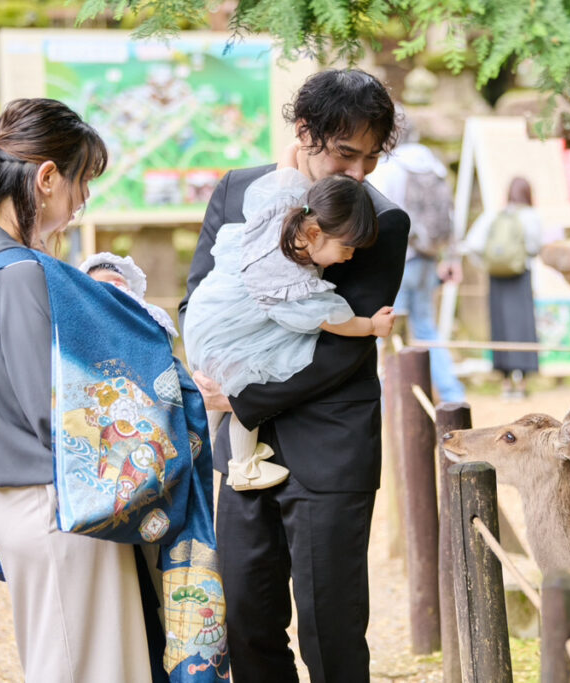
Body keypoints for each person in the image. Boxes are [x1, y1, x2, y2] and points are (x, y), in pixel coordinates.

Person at [179, 68, 408, 682]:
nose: (358, 173)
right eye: (345, 153)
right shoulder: (237, 190)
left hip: (329, 447)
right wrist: (206, 371)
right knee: (246, 623)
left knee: (330, 633)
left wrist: (243, 398)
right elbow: (198, 295)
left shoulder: (381, 221)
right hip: (240, 450)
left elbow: (345, 347)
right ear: (304, 132)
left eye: (371, 157)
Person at [0, 99, 153, 682]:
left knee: (64, 662)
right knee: (90, 668)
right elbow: (55, 406)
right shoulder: (23, 271)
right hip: (60, 501)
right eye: (82, 181)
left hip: (12, 503)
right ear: (48, 177)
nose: (84, 199)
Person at [183, 163, 396, 492]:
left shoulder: (281, 208)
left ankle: (203, 450)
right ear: (314, 234)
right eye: (346, 248)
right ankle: (243, 467)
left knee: (214, 396)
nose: (349, 258)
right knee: (242, 390)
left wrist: (295, 151)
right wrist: (371, 326)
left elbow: (285, 171)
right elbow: (335, 319)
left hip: (206, 316)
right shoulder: (293, 283)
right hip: (231, 337)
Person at [367, 109, 466, 403]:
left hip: (400, 260)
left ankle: (381, 402)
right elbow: (451, 216)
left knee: (383, 331)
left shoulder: (390, 166)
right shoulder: (433, 166)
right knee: (426, 328)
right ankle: (452, 394)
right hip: (428, 258)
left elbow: (383, 215)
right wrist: (451, 257)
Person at [464, 176, 552, 399]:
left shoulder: (494, 215)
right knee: (521, 327)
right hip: (520, 275)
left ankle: (505, 383)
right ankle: (521, 383)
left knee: (500, 325)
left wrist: (486, 264)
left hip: (496, 277)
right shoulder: (530, 216)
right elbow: (534, 246)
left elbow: (473, 243)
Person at [80, 251, 179, 338]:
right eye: (108, 285)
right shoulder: (89, 324)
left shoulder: (154, 315)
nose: (116, 287)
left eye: (119, 284)